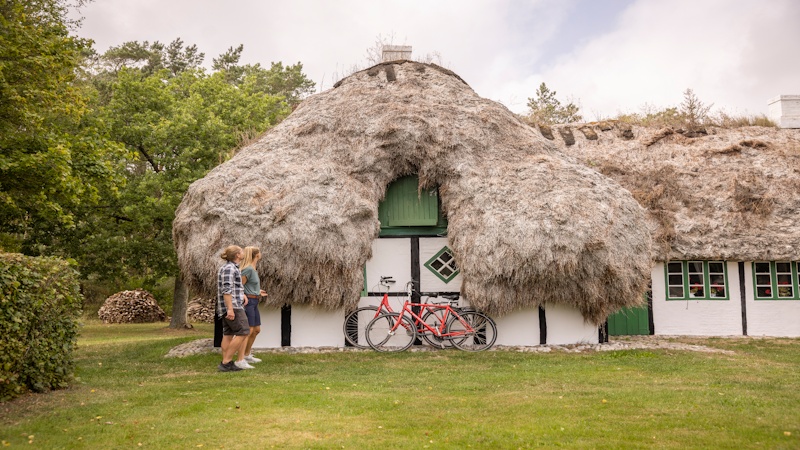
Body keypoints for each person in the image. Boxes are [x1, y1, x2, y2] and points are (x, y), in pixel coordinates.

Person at [216, 245, 254, 371]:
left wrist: (242, 294)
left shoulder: (231, 268)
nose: (243, 253)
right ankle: (226, 362)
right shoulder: (229, 268)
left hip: (232, 305)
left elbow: (232, 287)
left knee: (228, 334)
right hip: (233, 306)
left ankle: (227, 363)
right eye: (241, 251)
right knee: (244, 331)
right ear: (237, 255)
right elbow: (226, 289)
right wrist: (230, 309)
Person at [240, 246, 268, 364]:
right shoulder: (248, 269)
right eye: (259, 252)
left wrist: (257, 291)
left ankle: (247, 354)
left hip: (254, 300)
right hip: (249, 302)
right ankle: (241, 358)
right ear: (256, 255)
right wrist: (244, 295)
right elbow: (239, 286)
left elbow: (249, 285)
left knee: (256, 330)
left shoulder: (253, 269)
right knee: (249, 330)